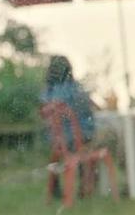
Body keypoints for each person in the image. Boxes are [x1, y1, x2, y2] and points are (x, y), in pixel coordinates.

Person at [41, 54, 96, 199]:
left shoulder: (48, 91)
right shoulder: (75, 89)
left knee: (58, 152)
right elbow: (88, 109)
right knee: (91, 143)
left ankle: (55, 187)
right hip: (78, 139)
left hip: (57, 141)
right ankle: (86, 185)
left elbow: (43, 112)